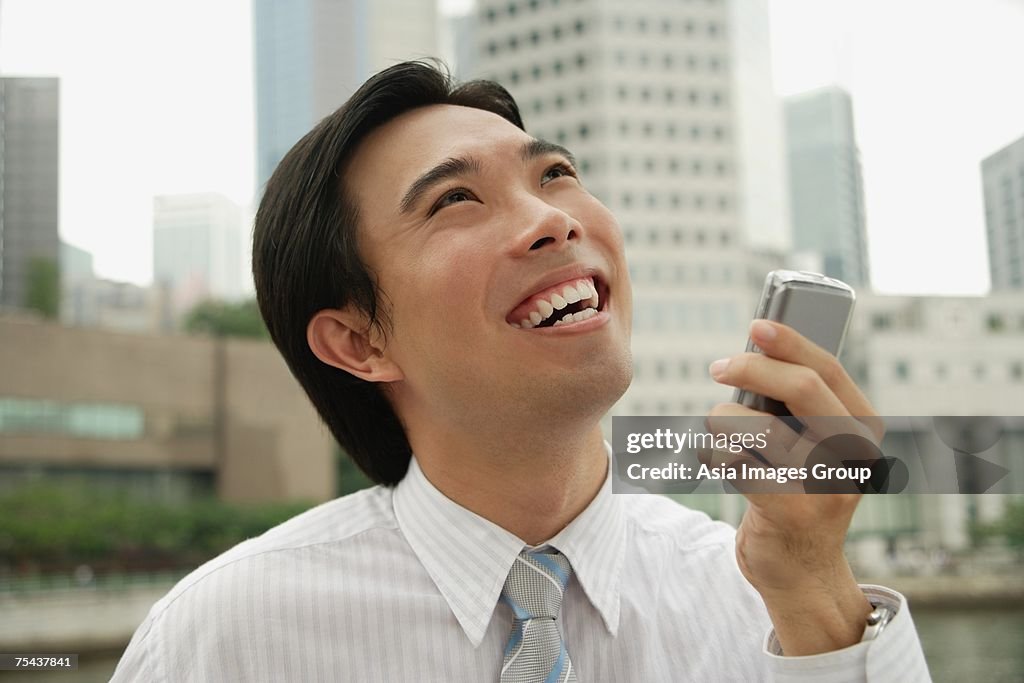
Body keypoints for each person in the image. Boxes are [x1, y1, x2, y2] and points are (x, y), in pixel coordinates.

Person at [111, 61, 930, 682]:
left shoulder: (765, 595)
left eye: (556, 175)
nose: (550, 220)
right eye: (456, 200)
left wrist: (814, 589)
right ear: (359, 342)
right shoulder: (222, 637)